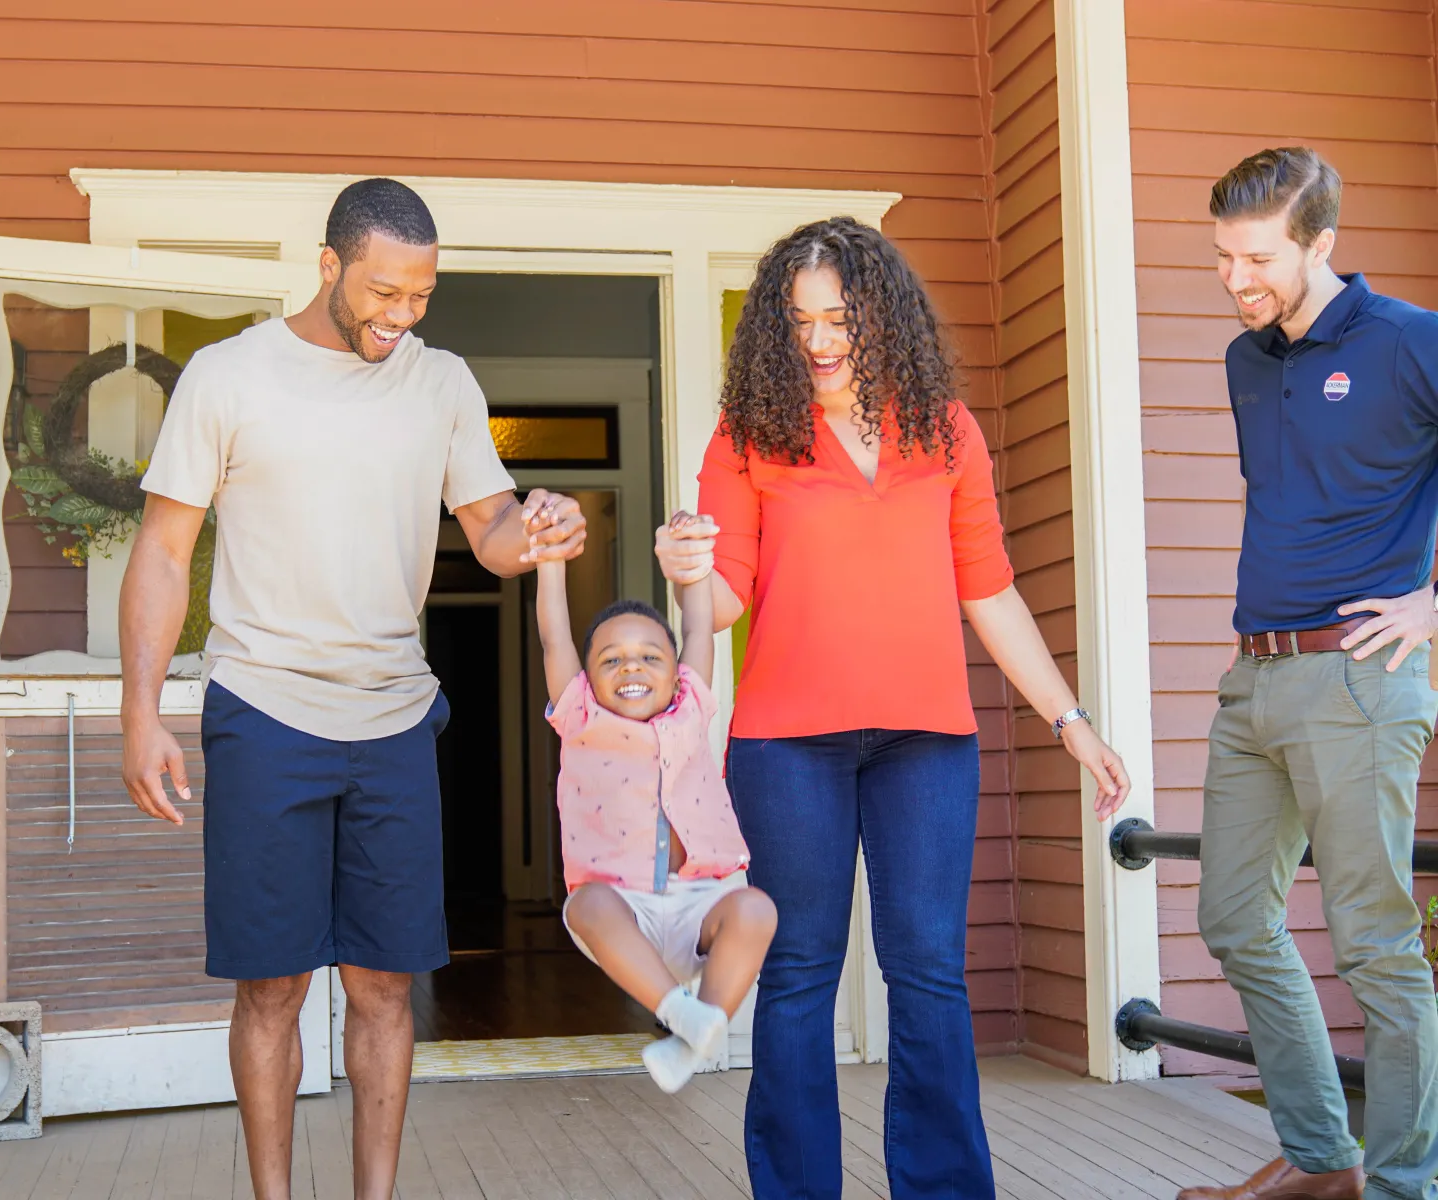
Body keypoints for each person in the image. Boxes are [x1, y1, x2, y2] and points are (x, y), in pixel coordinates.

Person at [117, 178, 588, 1200]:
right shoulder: (229, 375)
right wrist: (142, 711)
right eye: (382, 293)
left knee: (385, 983)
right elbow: (161, 551)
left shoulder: (442, 383)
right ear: (328, 265)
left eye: (419, 297)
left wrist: (539, 528)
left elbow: (491, 530)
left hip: (393, 721)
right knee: (273, 985)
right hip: (264, 714)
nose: (399, 317)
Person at [655, 215, 1131, 1199]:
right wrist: (687, 571)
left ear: (884, 319)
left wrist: (1069, 720)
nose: (819, 340)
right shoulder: (748, 437)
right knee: (796, 977)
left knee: (927, 975)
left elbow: (987, 588)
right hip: (787, 747)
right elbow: (728, 594)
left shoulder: (947, 430)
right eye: (798, 322)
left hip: (927, 745)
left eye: (838, 319)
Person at [1178, 148, 1438, 1200]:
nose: (1237, 278)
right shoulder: (1248, 359)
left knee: (1375, 947)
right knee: (1234, 917)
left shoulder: (1410, 343)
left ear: (1320, 244)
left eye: (1258, 257)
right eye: (1221, 257)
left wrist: (1433, 603)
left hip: (1355, 683)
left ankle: (1405, 1183)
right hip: (1254, 681)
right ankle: (1323, 1160)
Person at [535, 512, 778, 1094]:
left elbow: (699, 628)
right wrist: (549, 562)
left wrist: (692, 562)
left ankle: (702, 1026)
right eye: (611, 660)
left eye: (650, 656)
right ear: (588, 680)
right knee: (586, 904)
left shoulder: (693, 707)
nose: (632, 668)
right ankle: (684, 1016)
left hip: (703, 899)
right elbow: (553, 636)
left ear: (676, 674)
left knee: (757, 909)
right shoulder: (581, 718)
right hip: (624, 907)